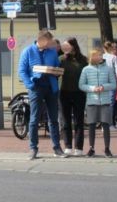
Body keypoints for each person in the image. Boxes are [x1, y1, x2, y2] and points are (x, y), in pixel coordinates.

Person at [18, 29, 66, 159]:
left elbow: (56, 67)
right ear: (42, 40)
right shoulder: (28, 51)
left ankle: (57, 148)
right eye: (49, 41)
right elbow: (22, 71)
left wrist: (56, 71)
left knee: (53, 119)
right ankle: (33, 148)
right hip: (36, 88)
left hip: (51, 88)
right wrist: (31, 85)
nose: (51, 44)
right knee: (34, 119)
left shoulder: (52, 52)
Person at [79, 48, 116, 158]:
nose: (99, 57)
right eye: (96, 55)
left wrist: (104, 87)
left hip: (105, 101)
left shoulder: (108, 69)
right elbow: (81, 85)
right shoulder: (86, 69)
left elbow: (114, 84)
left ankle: (107, 148)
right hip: (92, 101)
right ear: (91, 57)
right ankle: (91, 148)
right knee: (91, 125)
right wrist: (92, 88)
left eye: (100, 55)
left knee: (106, 125)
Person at [59, 38, 88, 156]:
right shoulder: (61, 59)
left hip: (79, 93)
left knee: (79, 121)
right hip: (64, 92)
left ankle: (79, 147)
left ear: (73, 46)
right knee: (65, 120)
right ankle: (67, 146)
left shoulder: (84, 60)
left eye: (67, 46)